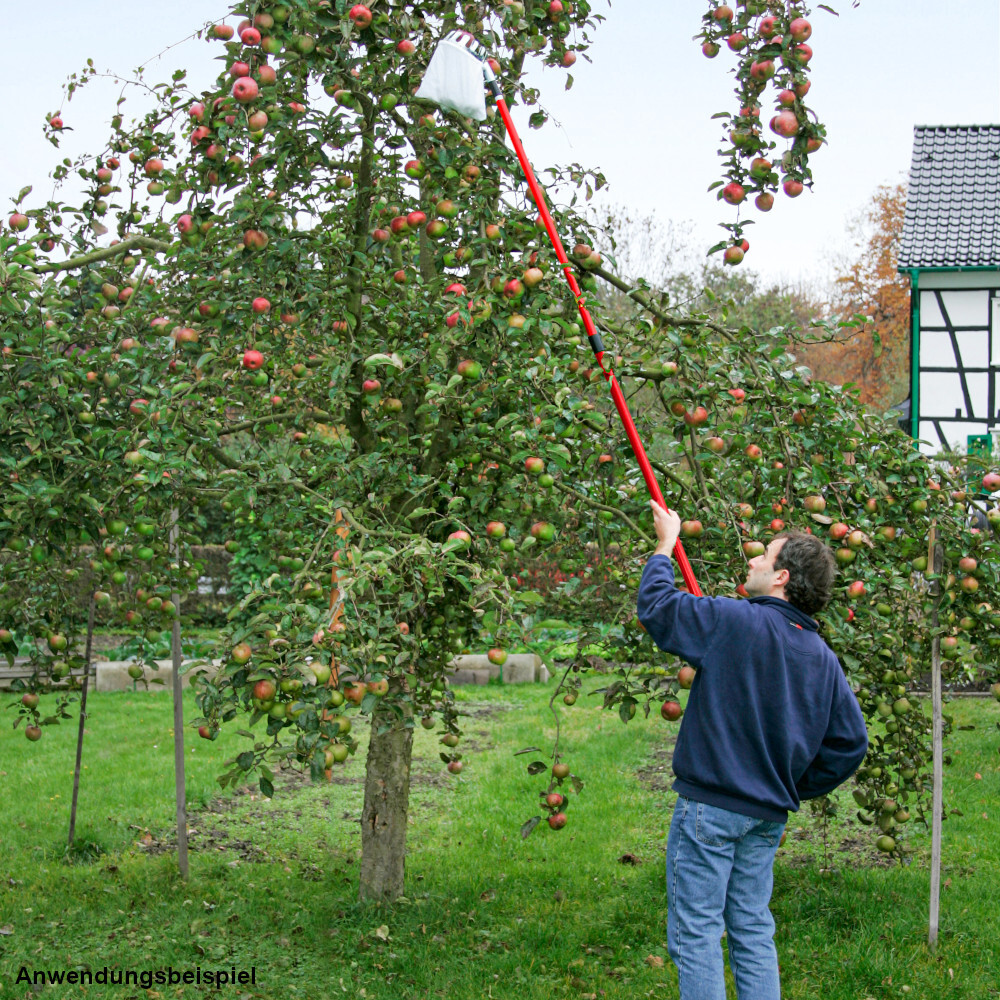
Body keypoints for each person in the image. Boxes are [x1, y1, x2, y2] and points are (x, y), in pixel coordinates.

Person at [637, 501, 869, 1000]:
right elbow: (850, 743)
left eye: (763, 558)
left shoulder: (735, 622)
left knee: (697, 930)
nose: (752, 562)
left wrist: (663, 544)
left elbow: (658, 608)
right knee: (751, 927)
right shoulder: (821, 657)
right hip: (767, 813)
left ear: (781, 577)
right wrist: (786, 781)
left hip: (712, 808)